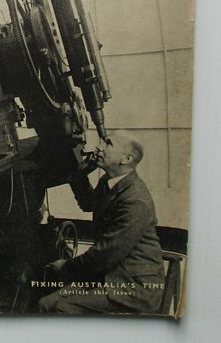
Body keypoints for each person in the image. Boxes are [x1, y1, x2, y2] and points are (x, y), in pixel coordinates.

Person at [38, 131, 165, 314]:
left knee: (61, 309)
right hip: (108, 276)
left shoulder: (135, 200)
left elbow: (106, 253)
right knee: (44, 304)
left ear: (126, 159)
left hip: (133, 287)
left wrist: (66, 267)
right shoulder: (109, 181)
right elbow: (88, 203)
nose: (99, 147)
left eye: (108, 143)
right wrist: (79, 172)